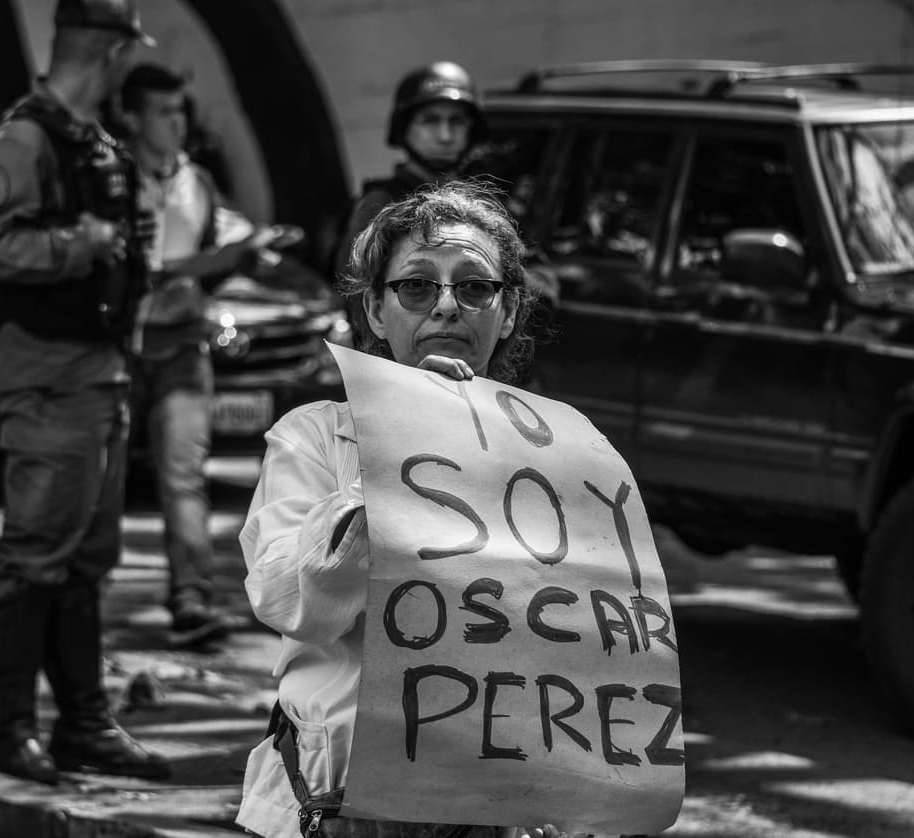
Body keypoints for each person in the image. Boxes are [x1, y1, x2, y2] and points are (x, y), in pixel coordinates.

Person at [237, 183, 613, 838]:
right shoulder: (314, 438)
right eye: (415, 287)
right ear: (376, 311)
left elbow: (577, 646)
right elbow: (293, 605)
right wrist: (405, 443)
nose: (445, 305)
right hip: (343, 801)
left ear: (507, 309)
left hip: (496, 806)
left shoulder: (561, 458)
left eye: (474, 288)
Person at [0, 0, 166, 785]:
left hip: (100, 370)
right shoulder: (22, 141)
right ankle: (6, 729)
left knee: (86, 558)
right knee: (35, 553)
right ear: (112, 53)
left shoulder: (93, 142)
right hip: (47, 373)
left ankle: (83, 724)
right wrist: (83, 242)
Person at [113, 62, 278, 646]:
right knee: (101, 476)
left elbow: (221, 246)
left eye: (180, 110)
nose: (177, 122)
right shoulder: (111, 181)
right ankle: (75, 596)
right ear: (131, 118)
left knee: (183, 475)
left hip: (182, 345)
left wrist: (246, 253)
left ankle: (191, 597)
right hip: (116, 349)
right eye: (163, 112)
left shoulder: (198, 183)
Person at [332, 61, 488, 353]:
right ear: (404, 129)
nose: (445, 135)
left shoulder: (483, 203)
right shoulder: (380, 205)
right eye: (430, 121)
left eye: (456, 122)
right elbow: (356, 297)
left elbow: (528, 277)